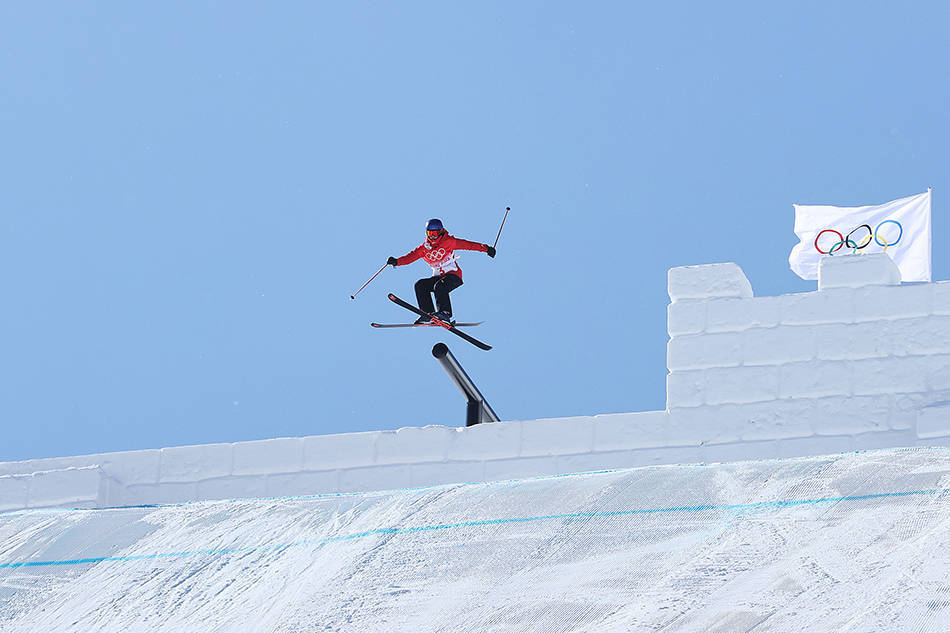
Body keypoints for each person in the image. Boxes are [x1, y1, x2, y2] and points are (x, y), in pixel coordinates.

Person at [387, 218, 496, 324]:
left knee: (439, 287)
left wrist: (486, 248)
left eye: (435, 233)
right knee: (420, 285)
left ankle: (445, 313)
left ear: (441, 231)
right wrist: (397, 261)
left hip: (453, 276)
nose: (433, 236)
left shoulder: (449, 241)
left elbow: (469, 245)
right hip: (438, 277)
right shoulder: (424, 248)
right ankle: (427, 314)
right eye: (430, 233)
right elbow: (410, 257)